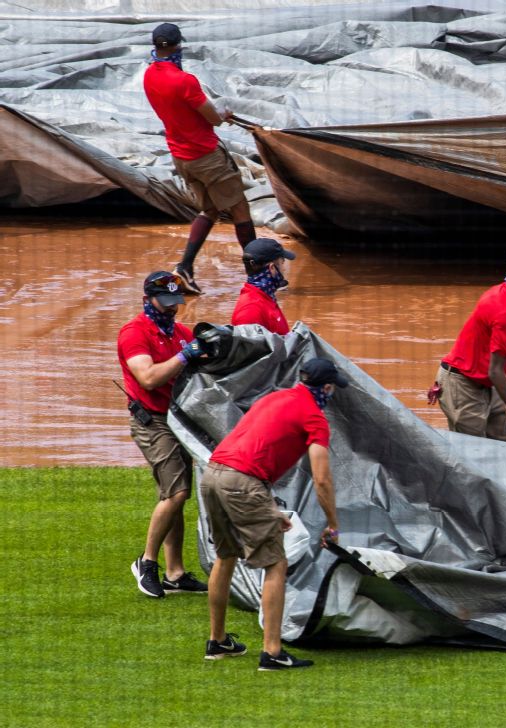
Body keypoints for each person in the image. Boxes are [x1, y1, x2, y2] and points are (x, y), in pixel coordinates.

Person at [202, 357, 345, 670]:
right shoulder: (314, 417)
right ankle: (273, 653)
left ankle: (217, 641)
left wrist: (267, 507)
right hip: (243, 482)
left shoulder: (276, 397)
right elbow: (321, 479)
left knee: (225, 557)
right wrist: (332, 524)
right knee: (276, 564)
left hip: (213, 474)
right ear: (328, 387)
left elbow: (254, 447)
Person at [143, 22, 256, 295]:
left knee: (210, 210)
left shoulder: (149, 76)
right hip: (206, 157)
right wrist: (223, 115)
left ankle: (185, 267)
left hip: (181, 157)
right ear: (178, 46)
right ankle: (258, 276)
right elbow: (212, 118)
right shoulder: (185, 81)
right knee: (241, 211)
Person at [117, 271, 208, 598]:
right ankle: (147, 563)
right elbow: (149, 378)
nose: (172, 309)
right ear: (147, 300)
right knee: (177, 493)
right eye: (165, 303)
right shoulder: (133, 333)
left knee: (174, 494)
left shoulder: (182, 333)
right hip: (151, 422)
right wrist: (186, 356)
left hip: (179, 421)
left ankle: (175, 572)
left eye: (176, 303)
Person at [431, 245, 506, 445]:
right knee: (474, 455)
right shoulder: (505, 313)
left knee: (505, 446)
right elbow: (496, 371)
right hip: (462, 386)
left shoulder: (500, 292)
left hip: (481, 382)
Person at [231, 238, 296, 335]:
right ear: (272, 268)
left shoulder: (266, 298)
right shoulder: (251, 311)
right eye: (282, 263)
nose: (284, 269)